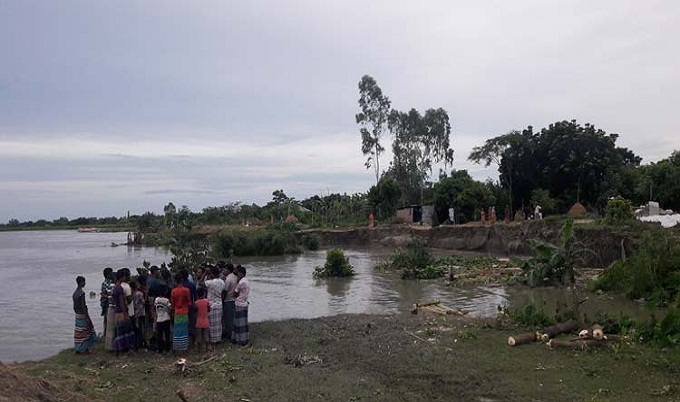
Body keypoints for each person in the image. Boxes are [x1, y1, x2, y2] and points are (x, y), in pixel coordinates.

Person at [112, 269, 135, 354]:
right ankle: (125, 349)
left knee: (119, 331)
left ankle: (118, 349)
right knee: (125, 330)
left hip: (117, 311)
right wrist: (126, 314)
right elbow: (122, 302)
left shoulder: (115, 288)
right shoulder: (120, 289)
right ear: (121, 277)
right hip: (122, 312)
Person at [73, 276, 97, 354]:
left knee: (79, 332)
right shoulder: (81, 293)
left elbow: (75, 306)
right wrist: (86, 316)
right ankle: (85, 349)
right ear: (81, 282)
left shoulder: (75, 293)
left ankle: (78, 348)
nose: (85, 283)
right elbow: (83, 306)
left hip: (77, 315)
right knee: (86, 331)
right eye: (84, 282)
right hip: (83, 315)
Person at [203, 266, 225, 345]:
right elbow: (223, 293)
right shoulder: (222, 282)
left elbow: (201, 284)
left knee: (211, 323)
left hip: (211, 304)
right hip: (219, 304)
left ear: (212, 274)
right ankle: (218, 339)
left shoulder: (210, 282)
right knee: (218, 323)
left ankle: (212, 339)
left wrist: (205, 273)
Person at [171, 272, 191, 353]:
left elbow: (172, 304)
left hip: (177, 312)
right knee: (184, 330)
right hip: (185, 312)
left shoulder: (173, 291)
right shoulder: (186, 290)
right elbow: (189, 302)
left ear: (175, 281)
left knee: (177, 331)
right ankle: (184, 347)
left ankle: (176, 348)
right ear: (182, 280)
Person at [231, 265, 250, 346]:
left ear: (241, 274)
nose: (237, 275)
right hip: (245, 303)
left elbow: (234, 294)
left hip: (239, 303)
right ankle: (244, 338)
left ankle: (239, 340)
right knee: (244, 322)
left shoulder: (241, 282)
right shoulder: (246, 281)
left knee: (238, 323)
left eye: (238, 273)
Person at [154, 287, 172, 353]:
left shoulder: (156, 299)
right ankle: (167, 348)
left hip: (159, 319)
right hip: (166, 318)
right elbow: (170, 308)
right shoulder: (166, 300)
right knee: (167, 335)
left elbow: (154, 307)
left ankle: (160, 349)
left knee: (160, 335)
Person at [222, 263, 237, 340]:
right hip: (233, 299)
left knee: (228, 319)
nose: (223, 271)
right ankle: (232, 333)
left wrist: (222, 300)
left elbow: (225, 291)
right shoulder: (235, 277)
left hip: (228, 300)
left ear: (228, 270)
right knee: (232, 317)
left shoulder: (228, 279)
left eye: (224, 269)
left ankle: (229, 335)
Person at [194, 287, 211, 353]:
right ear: (204, 294)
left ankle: (199, 350)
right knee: (206, 337)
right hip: (206, 322)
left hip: (199, 322)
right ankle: (206, 349)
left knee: (199, 337)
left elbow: (195, 310)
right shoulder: (206, 301)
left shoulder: (196, 303)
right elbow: (209, 309)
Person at [132, 280, 147, 350]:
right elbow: (144, 302)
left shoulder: (132, 294)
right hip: (141, 312)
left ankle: (137, 343)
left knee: (137, 328)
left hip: (135, 313)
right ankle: (142, 342)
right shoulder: (140, 294)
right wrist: (146, 295)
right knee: (142, 328)